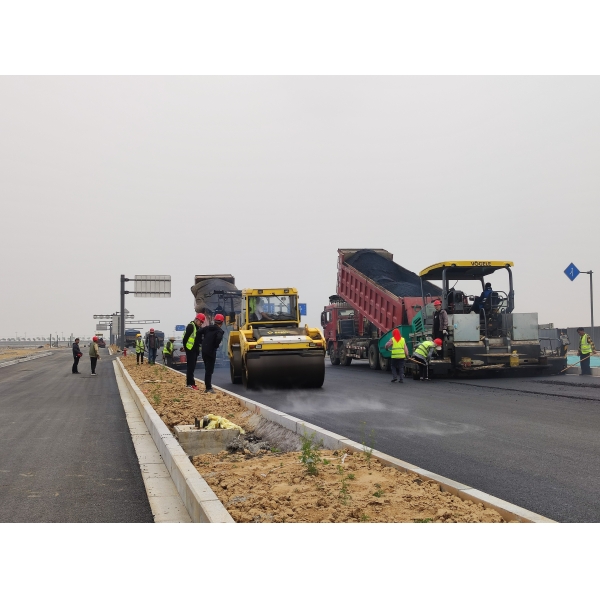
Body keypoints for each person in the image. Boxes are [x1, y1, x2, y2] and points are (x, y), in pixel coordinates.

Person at [200, 314, 225, 394]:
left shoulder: (207, 328)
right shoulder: (219, 331)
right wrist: (215, 346)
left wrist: (201, 342)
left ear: (214, 320)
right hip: (211, 351)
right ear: (222, 322)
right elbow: (218, 339)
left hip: (204, 350)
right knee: (209, 370)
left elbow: (199, 332)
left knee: (207, 368)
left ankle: (208, 386)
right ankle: (208, 387)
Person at [182, 313, 206, 389]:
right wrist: (186, 348)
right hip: (190, 350)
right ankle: (190, 384)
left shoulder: (197, 327)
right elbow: (185, 339)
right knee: (190, 367)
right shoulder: (191, 326)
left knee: (192, 367)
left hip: (194, 350)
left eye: (202, 322)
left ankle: (191, 383)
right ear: (197, 319)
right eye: (200, 322)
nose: (201, 323)